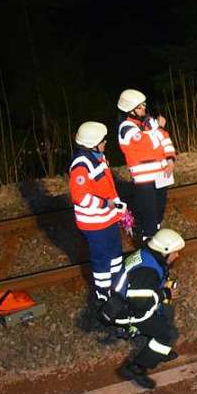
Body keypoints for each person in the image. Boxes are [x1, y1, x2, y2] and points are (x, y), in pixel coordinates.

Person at [99, 228, 185, 389]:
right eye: (175, 252)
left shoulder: (148, 255)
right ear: (164, 251)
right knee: (168, 334)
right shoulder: (148, 272)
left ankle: (158, 352)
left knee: (167, 311)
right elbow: (139, 304)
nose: (177, 256)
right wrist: (165, 293)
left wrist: (162, 291)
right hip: (126, 311)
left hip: (126, 300)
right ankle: (135, 368)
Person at [68, 121, 126, 302]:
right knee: (102, 260)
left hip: (108, 219)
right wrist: (105, 204)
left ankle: (120, 287)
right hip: (95, 224)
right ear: (92, 143)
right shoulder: (81, 166)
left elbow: (107, 186)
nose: (105, 143)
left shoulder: (98, 158)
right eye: (103, 140)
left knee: (116, 256)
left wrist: (117, 205)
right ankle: (104, 295)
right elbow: (81, 198)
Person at [117, 88, 176, 242]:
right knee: (149, 213)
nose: (144, 108)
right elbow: (148, 144)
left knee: (159, 210)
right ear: (130, 110)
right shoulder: (126, 128)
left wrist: (170, 158)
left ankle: (156, 238)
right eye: (140, 106)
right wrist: (159, 129)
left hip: (162, 174)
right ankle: (148, 242)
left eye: (144, 105)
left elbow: (165, 139)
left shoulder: (149, 122)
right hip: (145, 180)